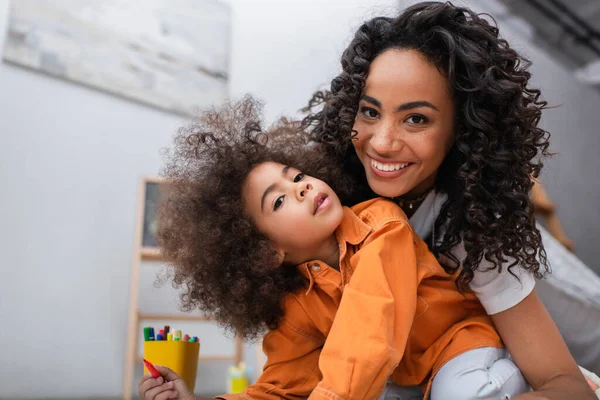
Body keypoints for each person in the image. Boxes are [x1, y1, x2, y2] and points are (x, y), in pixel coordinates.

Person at [138, 97, 529, 400]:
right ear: (266, 253)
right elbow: (280, 389)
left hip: (458, 348)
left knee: (458, 394)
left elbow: (368, 332)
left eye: (297, 176)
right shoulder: (297, 307)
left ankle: (533, 380)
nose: (302, 186)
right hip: (403, 379)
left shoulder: (382, 224)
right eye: (278, 201)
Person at [299, 1, 595, 399]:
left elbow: (567, 386)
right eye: (369, 111)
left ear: (463, 129)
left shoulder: (474, 231)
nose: (383, 143)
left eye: (416, 118)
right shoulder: (323, 199)